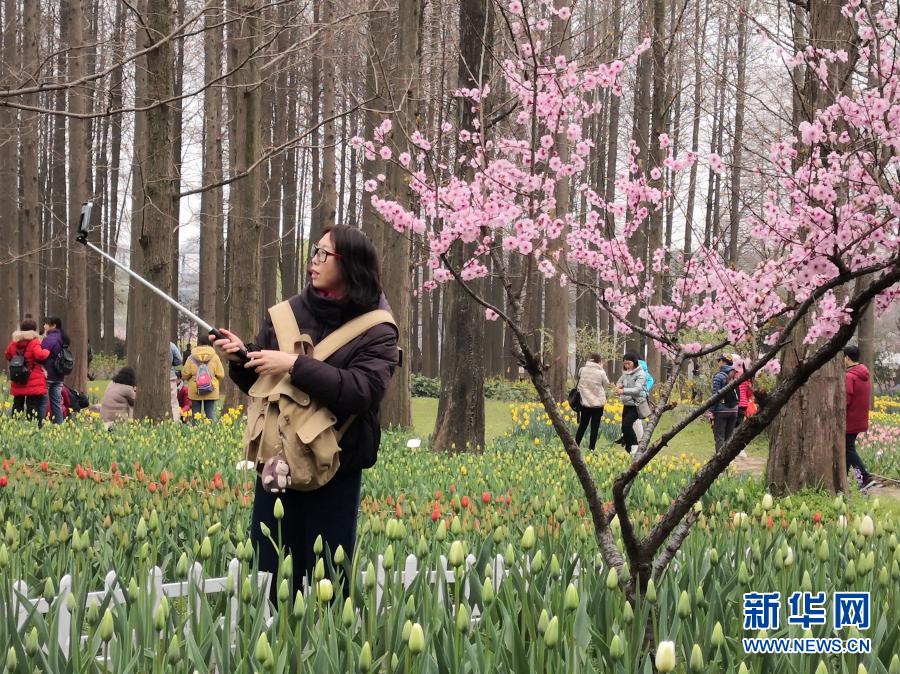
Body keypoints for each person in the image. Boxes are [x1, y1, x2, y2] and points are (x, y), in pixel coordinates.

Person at [213, 225, 400, 596]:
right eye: (314, 252)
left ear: (351, 265)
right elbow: (265, 387)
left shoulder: (377, 328)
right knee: (270, 571)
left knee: (326, 578)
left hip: (335, 465)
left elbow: (364, 391)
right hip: (278, 460)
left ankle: (323, 649)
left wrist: (294, 365)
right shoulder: (288, 314)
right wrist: (241, 358)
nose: (313, 262)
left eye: (323, 255)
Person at [5, 319, 50, 426]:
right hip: (32, 377)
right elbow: (40, 355)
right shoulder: (34, 342)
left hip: (19, 377)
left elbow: (7, 355)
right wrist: (47, 351)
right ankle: (32, 426)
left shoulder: (14, 342)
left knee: (18, 403)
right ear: (34, 330)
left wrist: (18, 362)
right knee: (32, 404)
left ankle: (15, 425)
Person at [843, 345, 875, 490]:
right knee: (846, 450)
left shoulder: (850, 376)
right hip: (859, 419)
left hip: (850, 420)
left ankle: (864, 478)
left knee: (848, 449)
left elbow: (846, 399)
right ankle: (845, 479)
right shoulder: (864, 374)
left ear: (847, 358)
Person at [181, 333, 225, 422]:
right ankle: (211, 434)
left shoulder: (191, 357)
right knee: (210, 414)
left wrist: (193, 377)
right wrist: (211, 379)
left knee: (195, 415)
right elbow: (221, 374)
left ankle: (195, 434)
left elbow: (185, 374)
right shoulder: (215, 357)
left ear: (199, 343)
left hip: (195, 389)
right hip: (211, 389)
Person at [575, 353, 610, 451]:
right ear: (599, 361)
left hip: (584, 403)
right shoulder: (601, 372)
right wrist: (601, 369)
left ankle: (575, 445)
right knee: (594, 427)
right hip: (597, 404)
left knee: (582, 425)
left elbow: (580, 380)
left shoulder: (582, 370)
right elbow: (606, 384)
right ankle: (591, 448)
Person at [615, 352, 647, 454]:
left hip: (636, 404)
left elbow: (637, 389)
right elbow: (619, 381)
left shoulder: (641, 374)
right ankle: (629, 450)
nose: (627, 366)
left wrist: (623, 391)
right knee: (624, 428)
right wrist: (619, 386)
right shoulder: (626, 372)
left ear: (634, 362)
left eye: (629, 363)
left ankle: (635, 445)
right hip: (627, 403)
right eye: (625, 363)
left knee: (627, 425)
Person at [41, 317, 69, 424]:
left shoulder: (49, 339)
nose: (44, 326)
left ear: (53, 326)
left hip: (48, 375)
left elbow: (42, 355)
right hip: (59, 376)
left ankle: (40, 426)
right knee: (56, 403)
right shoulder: (63, 338)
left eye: (46, 324)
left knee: (43, 402)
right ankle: (59, 426)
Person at [711, 354, 739, 451]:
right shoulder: (736, 375)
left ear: (723, 361)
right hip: (734, 410)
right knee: (729, 438)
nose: (717, 363)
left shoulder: (718, 376)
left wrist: (711, 412)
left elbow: (715, 396)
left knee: (720, 438)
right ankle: (727, 463)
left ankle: (719, 463)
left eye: (718, 360)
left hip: (721, 410)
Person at [169, 341, 183, 421]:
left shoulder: (145, 344)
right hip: (170, 376)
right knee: (173, 403)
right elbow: (179, 360)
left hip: (150, 378)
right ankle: (175, 423)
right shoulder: (170, 345)